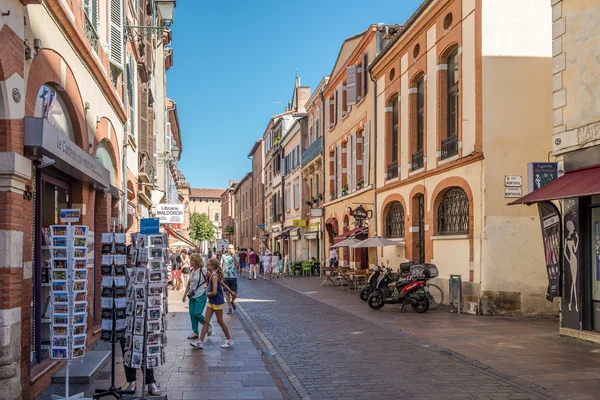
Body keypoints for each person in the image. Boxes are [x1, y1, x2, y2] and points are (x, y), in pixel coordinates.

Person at [191, 258, 234, 349]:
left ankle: (229, 339)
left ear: (213, 266)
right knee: (206, 321)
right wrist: (232, 292)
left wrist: (207, 293)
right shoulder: (214, 275)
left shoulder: (214, 276)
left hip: (217, 301)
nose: (207, 266)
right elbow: (223, 284)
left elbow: (214, 292)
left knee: (220, 321)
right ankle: (200, 342)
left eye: (209, 265)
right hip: (212, 301)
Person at [182, 253, 212, 340]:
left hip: (201, 294)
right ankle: (195, 332)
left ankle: (207, 325)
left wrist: (209, 288)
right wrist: (184, 295)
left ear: (196, 261)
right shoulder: (192, 271)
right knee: (192, 314)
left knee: (197, 313)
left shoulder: (203, 270)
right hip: (192, 295)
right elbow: (189, 283)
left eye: (192, 260)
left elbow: (212, 277)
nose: (190, 262)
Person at [221, 244, 238, 314]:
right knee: (227, 293)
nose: (230, 250)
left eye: (232, 248)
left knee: (234, 293)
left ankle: (232, 301)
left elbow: (237, 265)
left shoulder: (236, 256)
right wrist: (221, 275)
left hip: (233, 276)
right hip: (226, 277)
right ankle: (229, 307)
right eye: (229, 248)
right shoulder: (223, 256)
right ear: (227, 249)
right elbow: (221, 265)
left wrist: (233, 256)